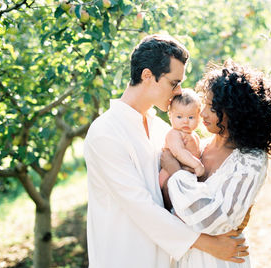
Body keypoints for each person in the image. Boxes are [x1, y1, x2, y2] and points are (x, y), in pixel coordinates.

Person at [83, 35, 248, 268]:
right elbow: (140, 206)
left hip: (163, 260)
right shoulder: (105, 133)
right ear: (148, 76)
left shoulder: (162, 130)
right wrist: (210, 244)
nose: (179, 91)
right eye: (173, 82)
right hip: (122, 258)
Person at [161, 60, 271, 268]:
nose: (203, 113)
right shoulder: (199, 147)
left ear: (235, 112)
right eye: (204, 104)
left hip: (220, 261)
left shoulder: (251, 160)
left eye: (212, 107)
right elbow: (165, 208)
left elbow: (216, 221)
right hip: (184, 258)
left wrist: (175, 172)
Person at [159, 89, 204, 193]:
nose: (185, 121)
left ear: (199, 118)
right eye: (179, 116)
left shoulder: (194, 136)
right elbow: (179, 152)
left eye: (191, 117)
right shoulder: (174, 134)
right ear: (170, 116)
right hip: (168, 177)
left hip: (184, 175)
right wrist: (197, 165)